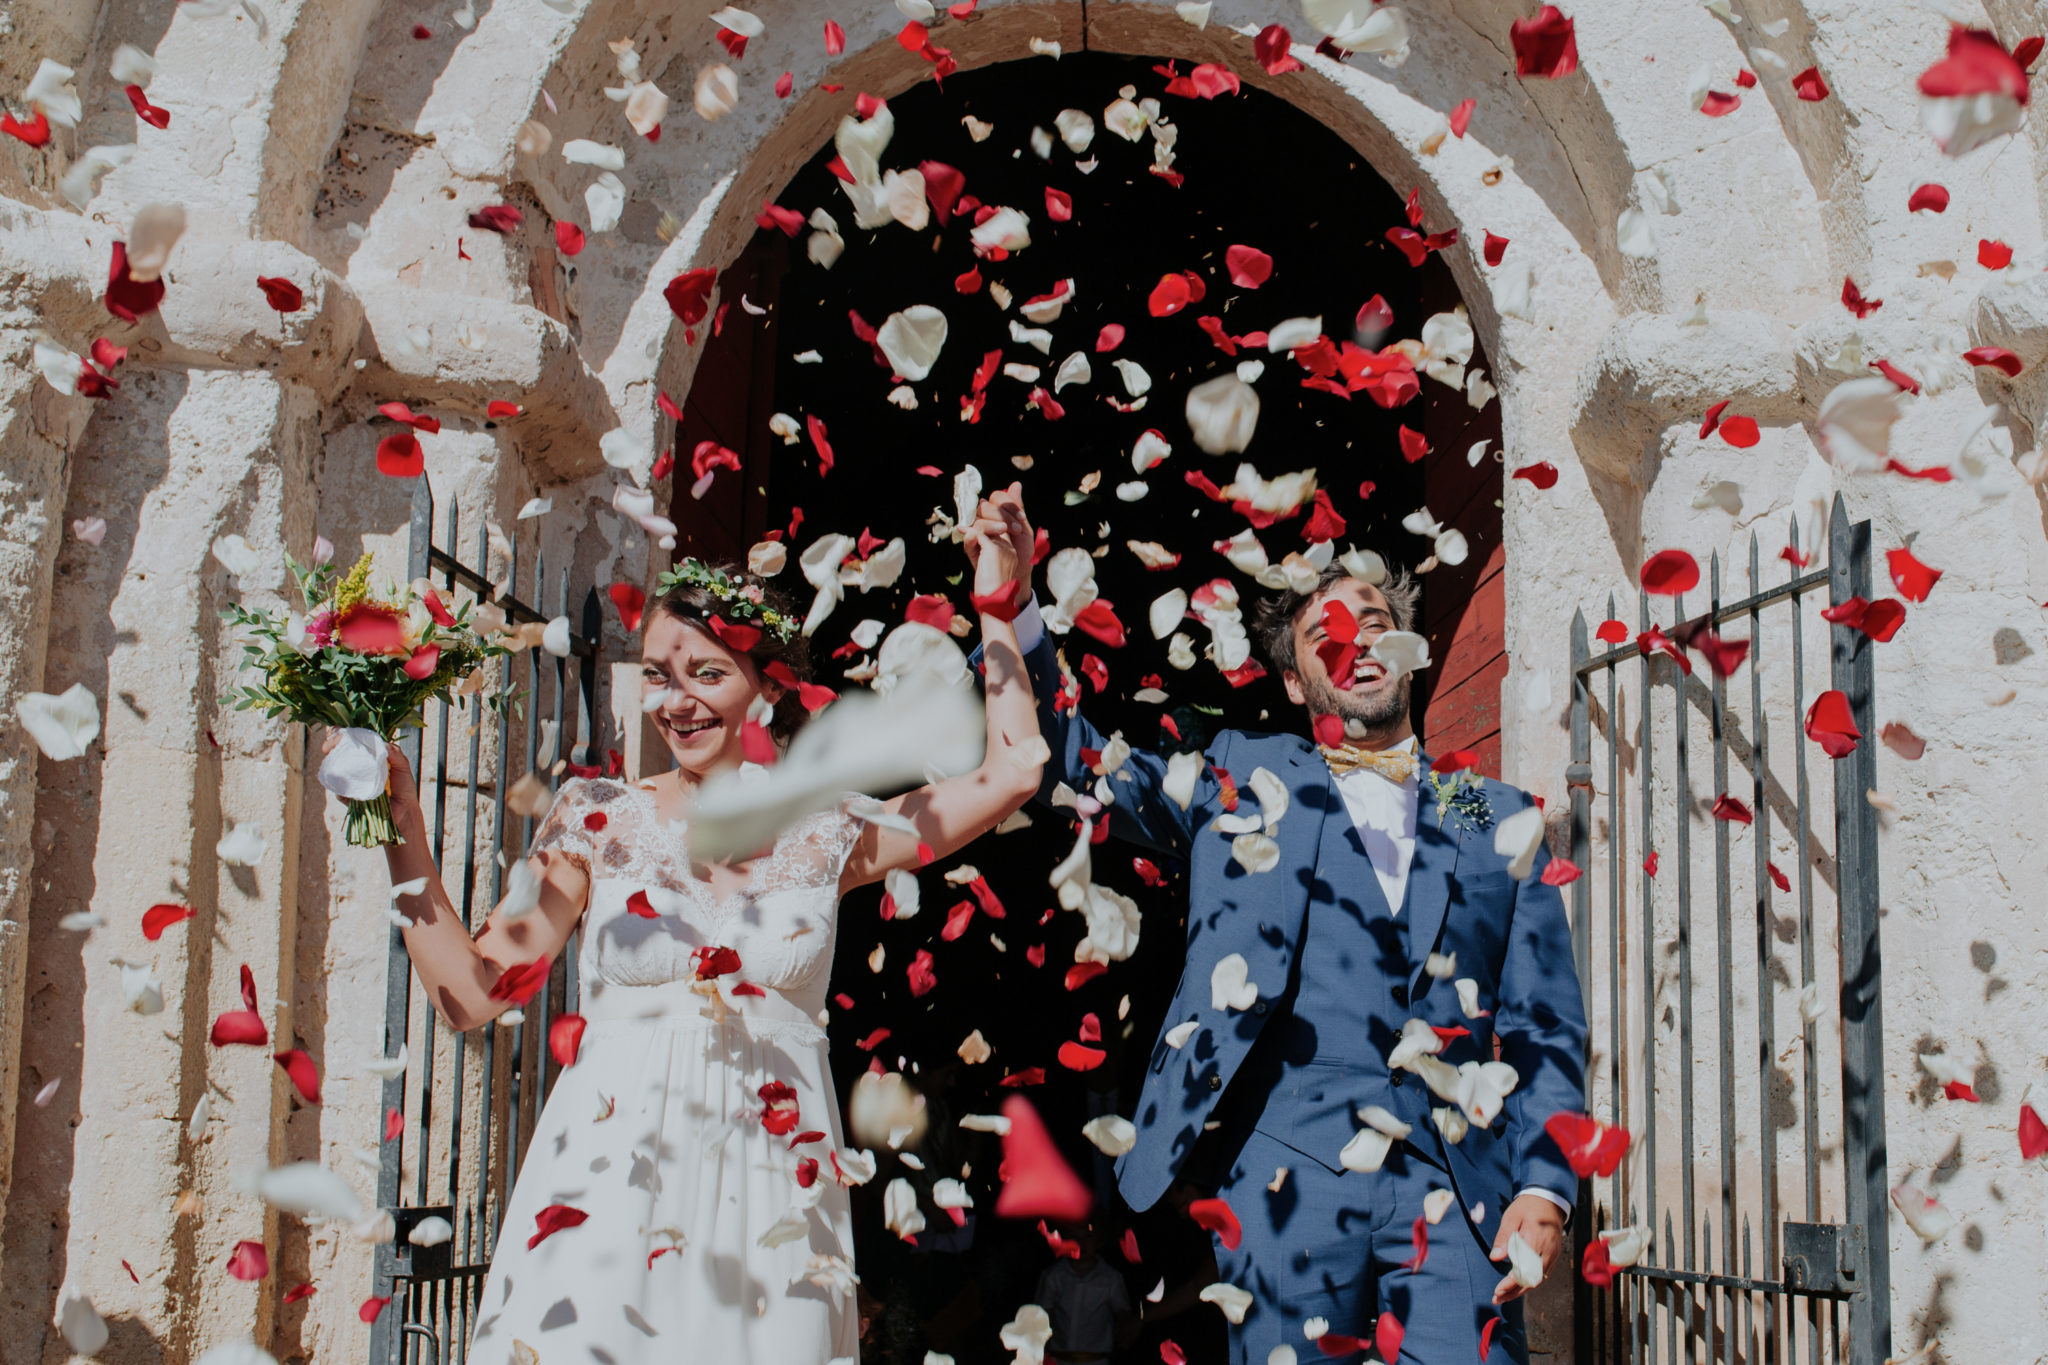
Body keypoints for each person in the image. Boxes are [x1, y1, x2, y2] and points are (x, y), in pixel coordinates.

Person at [347, 504, 1046, 1365]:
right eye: (657, 676)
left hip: (768, 1204)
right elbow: (472, 994)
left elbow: (1015, 770)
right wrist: (398, 824)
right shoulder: (595, 819)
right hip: (605, 1188)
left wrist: (998, 606)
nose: (675, 704)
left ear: (770, 684)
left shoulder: (830, 830)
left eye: (707, 674)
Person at [967, 486, 1587, 1365]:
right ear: (1296, 679)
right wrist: (1015, 605)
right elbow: (1081, 761)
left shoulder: (1491, 813)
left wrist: (1546, 1187)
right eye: (1324, 633)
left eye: (1374, 621)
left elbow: (1544, 1022)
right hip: (1286, 1178)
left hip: (1460, 1190)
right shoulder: (1244, 775)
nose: (1357, 640)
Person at [1034, 1222, 1136, 1365]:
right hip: (1057, 1359)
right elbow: (1042, 1314)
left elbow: (1123, 1313)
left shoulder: (1111, 1278)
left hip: (1097, 1360)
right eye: (1073, 1236)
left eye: (1088, 1236)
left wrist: (1125, 1331)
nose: (1080, 1242)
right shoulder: (1052, 1276)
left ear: (1099, 1241)